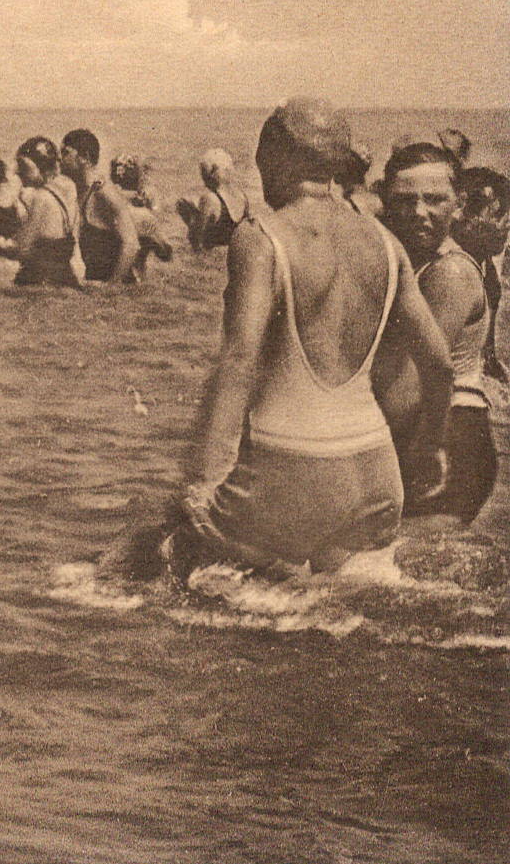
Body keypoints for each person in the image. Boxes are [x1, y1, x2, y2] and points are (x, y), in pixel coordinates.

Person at [175, 99, 453, 575]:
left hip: (287, 469)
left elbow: (239, 360)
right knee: (346, 595)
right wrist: (430, 447)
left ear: (275, 157)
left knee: (170, 552)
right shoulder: (386, 244)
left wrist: (203, 480)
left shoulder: (261, 237)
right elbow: (440, 364)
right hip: (375, 476)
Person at [373, 145, 497, 526]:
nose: (418, 212)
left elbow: (408, 391)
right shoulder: (412, 265)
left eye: (434, 199)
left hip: (448, 443)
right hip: (432, 436)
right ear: (385, 202)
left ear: (459, 205)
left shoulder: (450, 274)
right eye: (404, 200)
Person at [66, 129, 146, 284]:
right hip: (92, 285)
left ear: (84, 158)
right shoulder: (79, 189)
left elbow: (131, 244)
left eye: (66, 153)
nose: (59, 159)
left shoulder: (103, 192)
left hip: (114, 287)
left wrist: (112, 287)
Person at [454, 166, 510, 382]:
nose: (506, 223)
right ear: (468, 215)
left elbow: (488, 355)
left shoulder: (487, 268)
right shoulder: (455, 269)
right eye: (498, 214)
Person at [12, 136, 81, 288]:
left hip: (41, 281)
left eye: (23, 167)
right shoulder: (66, 189)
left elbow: (23, 248)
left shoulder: (41, 198)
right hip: (65, 278)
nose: (17, 172)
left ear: (41, 167)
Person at [178, 148, 248, 252]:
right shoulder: (242, 196)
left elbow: (195, 241)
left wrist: (189, 218)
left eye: (203, 171)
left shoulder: (210, 199)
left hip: (212, 258)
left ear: (211, 174)